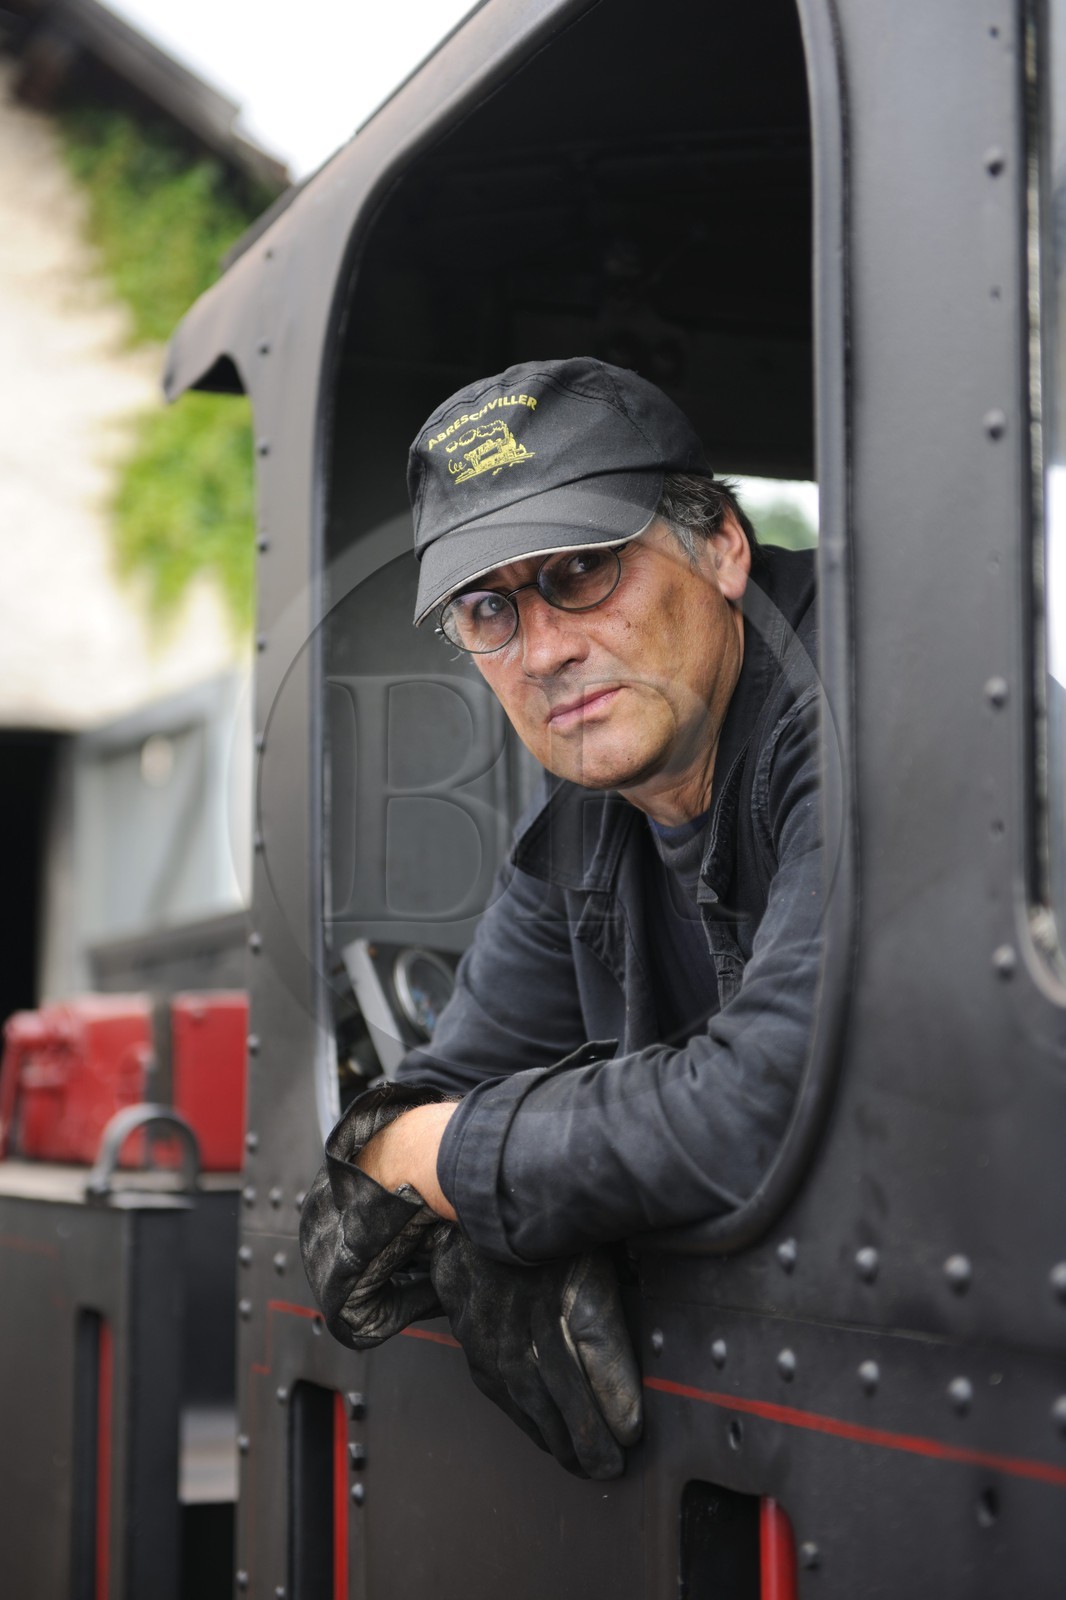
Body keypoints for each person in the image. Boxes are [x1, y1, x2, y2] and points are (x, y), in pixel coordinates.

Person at [300, 356, 822, 1480]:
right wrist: (514, 1210)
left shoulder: (873, 712)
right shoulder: (589, 816)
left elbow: (769, 1104)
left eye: (583, 570)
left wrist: (471, 1174)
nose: (541, 652)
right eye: (490, 609)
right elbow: (368, 1174)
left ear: (723, 547)